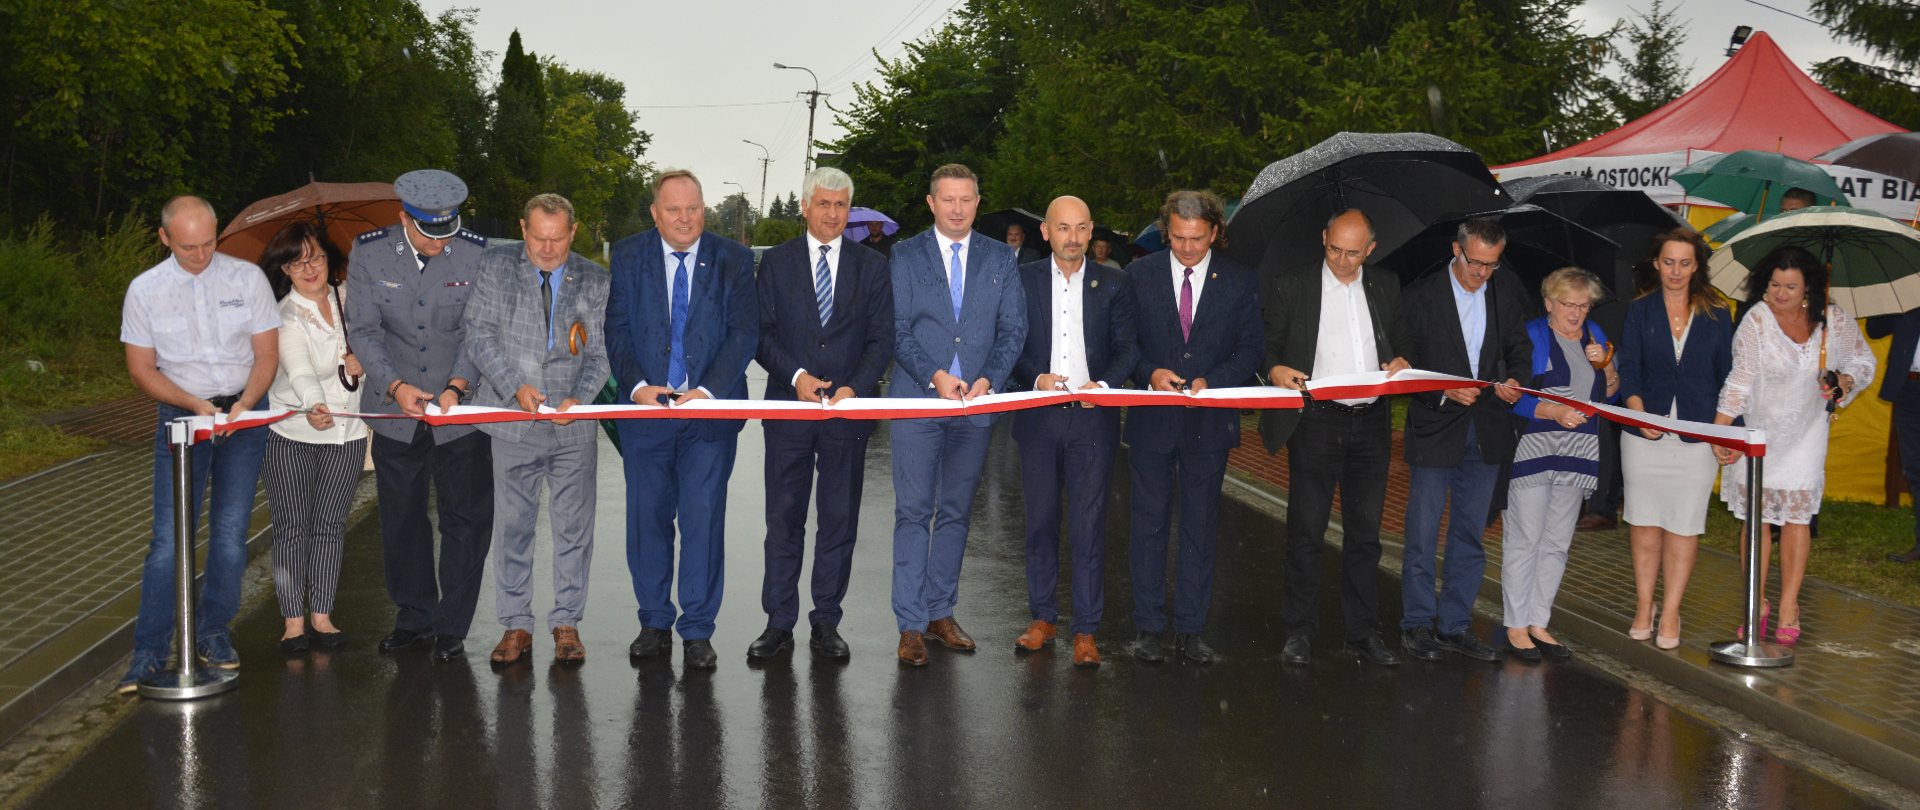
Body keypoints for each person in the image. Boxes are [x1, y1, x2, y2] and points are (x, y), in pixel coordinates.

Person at [117, 196, 281, 693]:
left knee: (231, 533)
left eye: (209, 242)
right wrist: (191, 402)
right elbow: (142, 369)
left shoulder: (247, 278)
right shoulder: (145, 291)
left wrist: (246, 403)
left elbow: (267, 353)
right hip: (181, 417)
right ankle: (149, 652)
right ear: (164, 237)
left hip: (245, 414)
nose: (201, 254)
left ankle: (213, 633)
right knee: (168, 539)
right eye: (188, 246)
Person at [606, 169, 758, 671]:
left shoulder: (732, 259)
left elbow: (744, 333)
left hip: (709, 417)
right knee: (647, 520)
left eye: (693, 208)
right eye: (673, 209)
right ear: (655, 213)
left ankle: (697, 629)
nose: (684, 218)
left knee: (702, 520)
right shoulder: (628, 255)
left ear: (703, 210)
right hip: (646, 415)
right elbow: (618, 329)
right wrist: (636, 388)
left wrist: (708, 391)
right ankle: (653, 621)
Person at [345, 169, 494, 662]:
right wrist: (395, 385)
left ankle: (453, 623)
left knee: (465, 517)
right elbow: (363, 331)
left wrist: (457, 386)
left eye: (447, 233)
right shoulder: (368, 252)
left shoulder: (477, 252)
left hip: (460, 407)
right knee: (402, 516)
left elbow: (480, 331)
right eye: (429, 234)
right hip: (395, 407)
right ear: (403, 218)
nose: (439, 245)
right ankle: (414, 615)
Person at [751, 167, 894, 662]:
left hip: (847, 416)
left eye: (841, 206)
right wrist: (797, 378)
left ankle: (826, 621)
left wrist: (856, 385)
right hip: (789, 410)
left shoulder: (872, 267)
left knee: (838, 521)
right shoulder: (775, 264)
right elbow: (761, 334)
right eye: (824, 204)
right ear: (806, 207)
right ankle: (779, 622)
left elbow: (881, 339)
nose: (833, 214)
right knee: (784, 520)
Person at [887, 163, 1026, 666]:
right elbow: (897, 331)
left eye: (966, 199)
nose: (958, 208)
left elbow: (1013, 328)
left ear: (977, 201)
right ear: (931, 203)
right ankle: (909, 625)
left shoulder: (999, 257)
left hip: (977, 406)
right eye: (948, 199)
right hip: (919, 401)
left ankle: (939, 613)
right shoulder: (904, 255)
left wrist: (988, 378)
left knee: (955, 513)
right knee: (913, 512)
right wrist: (936, 377)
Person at [462, 194, 610, 666]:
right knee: (512, 529)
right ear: (523, 229)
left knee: (573, 530)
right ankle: (515, 625)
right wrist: (512, 387)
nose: (548, 249)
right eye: (539, 238)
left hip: (572, 427)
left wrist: (580, 400)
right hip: (511, 421)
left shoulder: (596, 278)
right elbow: (478, 333)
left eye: (558, 239)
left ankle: (567, 624)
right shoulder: (495, 265)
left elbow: (602, 355)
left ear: (573, 231)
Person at [1261, 209, 1409, 667]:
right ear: (1323, 237)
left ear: (1370, 250)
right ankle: (1299, 632)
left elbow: (1403, 342)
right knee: (1306, 532)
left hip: (1371, 423)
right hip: (1316, 422)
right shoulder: (1293, 284)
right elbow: (1265, 344)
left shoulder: (1386, 285)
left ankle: (1362, 632)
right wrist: (1274, 369)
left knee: (1365, 537)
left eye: (1352, 252)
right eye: (1333, 249)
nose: (1342, 261)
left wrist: (1402, 359)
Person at [1125, 190, 1263, 664]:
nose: (1187, 248)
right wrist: (1149, 372)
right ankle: (1147, 627)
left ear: (1216, 233)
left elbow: (1251, 350)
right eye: (1179, 238)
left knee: (1200, 528)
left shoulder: (1241, 281)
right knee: (1148, 525)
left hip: (1210, 419)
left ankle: (1191, 628)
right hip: (1152, 420)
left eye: (1198, 239)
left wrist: (1215, 380)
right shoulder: (1137, 275)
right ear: (1167, 231)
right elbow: (1123, 343)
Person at [1712, 245, 1874, 646]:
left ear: (1809, 289)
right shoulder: (1757, 320)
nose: (1780, 293)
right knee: (1759, 520)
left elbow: (1863, 362)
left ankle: (1788, 605)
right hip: (1761, 433)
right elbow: (1741, 377)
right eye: (1774, 284)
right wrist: (1722, 429)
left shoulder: (1833, 321)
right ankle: (1757, 602)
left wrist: (1843, 381)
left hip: (1808, 432)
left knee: (1798, 519)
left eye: (1790, 286)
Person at [1008, 195, 1138, 666]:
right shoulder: (1020, 281)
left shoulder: (1115, 283)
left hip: (1092, 419)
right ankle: (1043, 618)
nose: (1074, 238)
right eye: (1064, 228)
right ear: (1046, 232)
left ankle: (1086, 629)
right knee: (1041, 523)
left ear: (1091, 232)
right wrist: (1034, 377)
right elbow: (1010, 344)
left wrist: (1103, 385)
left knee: (1088, 527)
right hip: (1039, 416)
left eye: (1082, 228)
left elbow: (1128, 348)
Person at [1398, 217, 1533, 663]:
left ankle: (1455, 625)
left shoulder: (1505, 291)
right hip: (1435, 428)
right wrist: (1441, 389)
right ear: (1457, 251)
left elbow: (1520, 350)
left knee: (1470, 535)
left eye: (1492, 265)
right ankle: (1416, 624)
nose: (1482, 273)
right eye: (1476, 263)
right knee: (1422, 534)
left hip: (1489, 429)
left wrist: (1515, 380)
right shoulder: (1420, 296)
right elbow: (1402, 366)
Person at [1616, 229, 1733, 648]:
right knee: (1644, 523)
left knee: (1684, 525)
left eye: (1685, 263)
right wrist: (1636, 407)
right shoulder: (1639, 310)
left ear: (1697, 265)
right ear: (1656, 263)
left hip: (1698, 434)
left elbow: (1730, 377)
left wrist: (1726, 433)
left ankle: (1671, 613)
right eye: (1669, 262)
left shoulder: (1719, 312)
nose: (1676, 271)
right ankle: (1644, 606)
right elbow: (1627, 365)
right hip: (1644, 431)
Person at [1501, 267, 1620, 661]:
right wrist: (1551, 410)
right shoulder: (1532, 333)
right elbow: (1510, 394)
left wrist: (1605, 365)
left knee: (1557, 543)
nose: (1576, 313)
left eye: (1584, 306)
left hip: (1578, 452)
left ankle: (1539, 622)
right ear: (1549, 302)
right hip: (1534, 450)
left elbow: (1610, 395)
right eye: (1568, 304)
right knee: (1526, 539)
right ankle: (1516, 627)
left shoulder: (1595, 334)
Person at [259, 221, 363, 655]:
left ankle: (322, 616)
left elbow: (378, 345)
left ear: (329, 257)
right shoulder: (284, 316)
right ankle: (293, 622)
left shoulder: (351, 300)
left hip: (348, 436)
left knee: (329, 526)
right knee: (290, 528)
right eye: (297, 261)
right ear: (284, 268)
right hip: (292, 434)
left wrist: (366, 360)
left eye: (315, 256)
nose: (309, 268)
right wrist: (314, 404)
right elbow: (300, 369)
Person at [1868, 307, 1920, 564]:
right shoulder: (1908, 298)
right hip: (1909, 388)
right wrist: (1893, 305)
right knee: (1915, 470)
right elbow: (1874, 330)